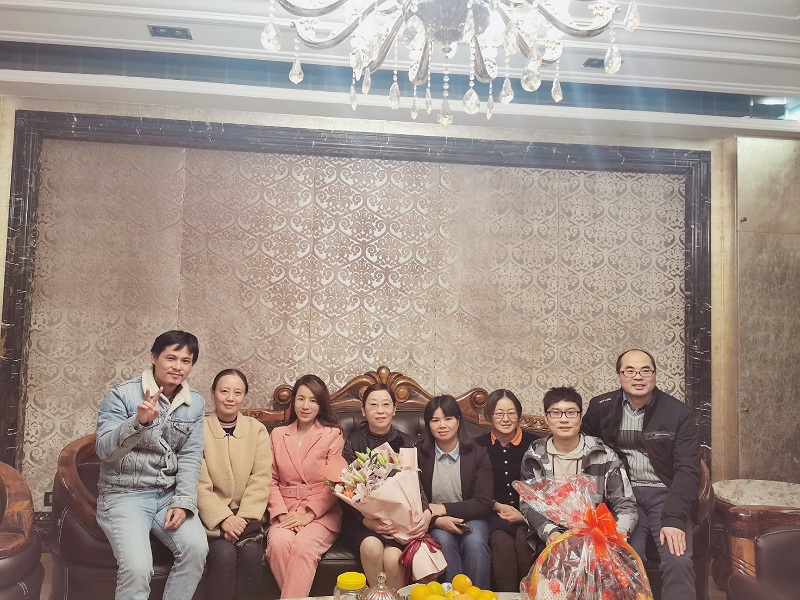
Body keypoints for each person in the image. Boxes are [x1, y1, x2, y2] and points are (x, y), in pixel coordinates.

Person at [94, 330, 208, 600]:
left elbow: (191, 456)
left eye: (186, 361)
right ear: (154, 357)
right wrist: (139, 422)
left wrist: (183, 501)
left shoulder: (195, 403)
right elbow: (103, 451)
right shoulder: (122, 395)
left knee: (196, 550)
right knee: (137, 568)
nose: (178, 367)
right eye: (171, 358)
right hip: (123, 494)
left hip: (167, 495)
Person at [581, 349, 701, 600]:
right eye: (630, 371)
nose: (638, 376)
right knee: (625, 558)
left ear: (655, 374)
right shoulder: (600, 408)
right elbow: (585, 451)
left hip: (665, 495)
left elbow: (688, 469)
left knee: (677, 559)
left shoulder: (678, 413)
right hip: (622, 495)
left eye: (646, 370)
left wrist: (674, 518)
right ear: (619, 375)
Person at [519, 386, 638, 550]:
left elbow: (625, 504)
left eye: (571, 413)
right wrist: (550, 532)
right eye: (556, 413)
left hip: (598, 538)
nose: (564, 419)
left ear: (580, 418)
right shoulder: (534, 456)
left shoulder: (603, 455)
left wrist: (614, 536)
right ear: (546, 418)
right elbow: (528, 504)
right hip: (552, 538)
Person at [339, 382, 432, 588]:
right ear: (363, 410)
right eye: (373, 405)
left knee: (393, 558)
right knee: (371, 547)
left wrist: (426, 512)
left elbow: (415, 485)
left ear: (394, 409)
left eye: (386, 404)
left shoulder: (406, 441)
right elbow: (347, 489)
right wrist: (367, 521)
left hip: (396, 521)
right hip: (360, 521)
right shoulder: (353, 441)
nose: (380, 410)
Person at [266, 374, 344, 599]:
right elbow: (270, 480)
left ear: (321, 405)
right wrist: (282, 515)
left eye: (313, 400)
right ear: (293, 402)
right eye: (300, 399)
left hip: (321, 512)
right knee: (278, 544)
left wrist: (308, 514)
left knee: (303, 545)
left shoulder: (332, 434)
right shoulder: (278, 435)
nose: (305, 406)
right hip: (286, 510)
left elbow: (336, 482)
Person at [197, 369, 271, 600]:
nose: (230, 398)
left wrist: (243, 520)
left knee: (251, 554)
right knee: (224, 555)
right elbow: (198, 483)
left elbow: (261, 477)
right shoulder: (198, 429)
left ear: (244, 396)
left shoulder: (256, 429)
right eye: (224, 391)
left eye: (237, 393)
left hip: (246, 519)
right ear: (213, 393)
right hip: (212, 520)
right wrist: (224, 519)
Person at [418, 395, 493, 589]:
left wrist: (442, 508)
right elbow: (412, 500)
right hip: (434, 521)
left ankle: (477, 595)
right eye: (435, 420)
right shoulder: (418, 453)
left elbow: (483, 502)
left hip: (472, 518)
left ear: (458, 421)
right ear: (428, 424)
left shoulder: (478, 453)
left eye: (448, 418)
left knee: (475, 543)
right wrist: (436, 520)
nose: (442, 425)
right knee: (443, 542)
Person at [474, 389, 538, 591]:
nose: (505, 418)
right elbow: (473, 487)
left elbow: (542, 486)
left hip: (529, 512)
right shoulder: (478, 446)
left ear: (518, 414)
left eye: (511, 412)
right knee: (500, 541)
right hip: (493, 513)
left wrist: (524, 514)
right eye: (499, 413)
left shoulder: (534, 444)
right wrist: (495, 505)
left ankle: (530, 594)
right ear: (489, 416)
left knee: (524, 540)